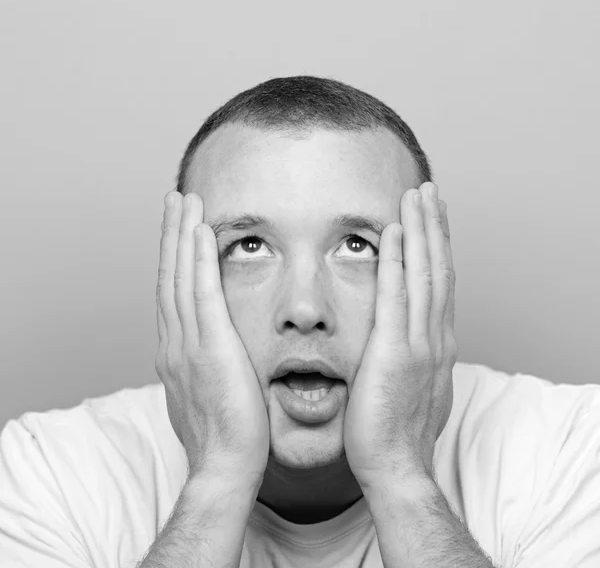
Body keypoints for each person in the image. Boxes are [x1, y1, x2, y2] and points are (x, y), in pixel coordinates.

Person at [1, 76, 599, 568]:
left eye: (358, 246)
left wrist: (402, 478)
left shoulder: (572, 451)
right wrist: (216, 481)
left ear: (431, 269)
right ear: (179, 276)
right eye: (250, 246)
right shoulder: (48, 471)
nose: (305, 311)